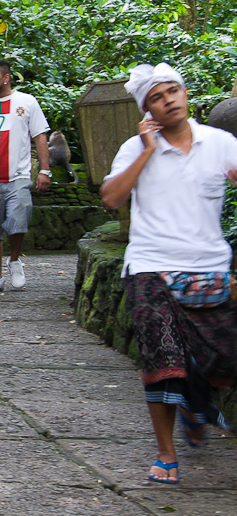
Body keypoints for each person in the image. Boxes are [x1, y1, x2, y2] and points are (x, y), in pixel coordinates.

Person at [100, 63, 237, 484]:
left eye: (173, 91)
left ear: (185, 93)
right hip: (149, 267)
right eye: (157, 97)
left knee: (225, 360)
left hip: (211, 268)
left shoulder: (221, 143)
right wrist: (146, 150)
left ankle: (196, 406)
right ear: (147, 110)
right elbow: (111, 198)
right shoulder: (134, 148)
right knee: (163, 361)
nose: (169, 100)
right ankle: (166, 452)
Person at [0, 59, 50, 292]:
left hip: (18, 176)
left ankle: (14, 260)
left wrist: (45, 170)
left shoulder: (27, 102)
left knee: (18, 221)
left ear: (6, 78)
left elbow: (40, 136)